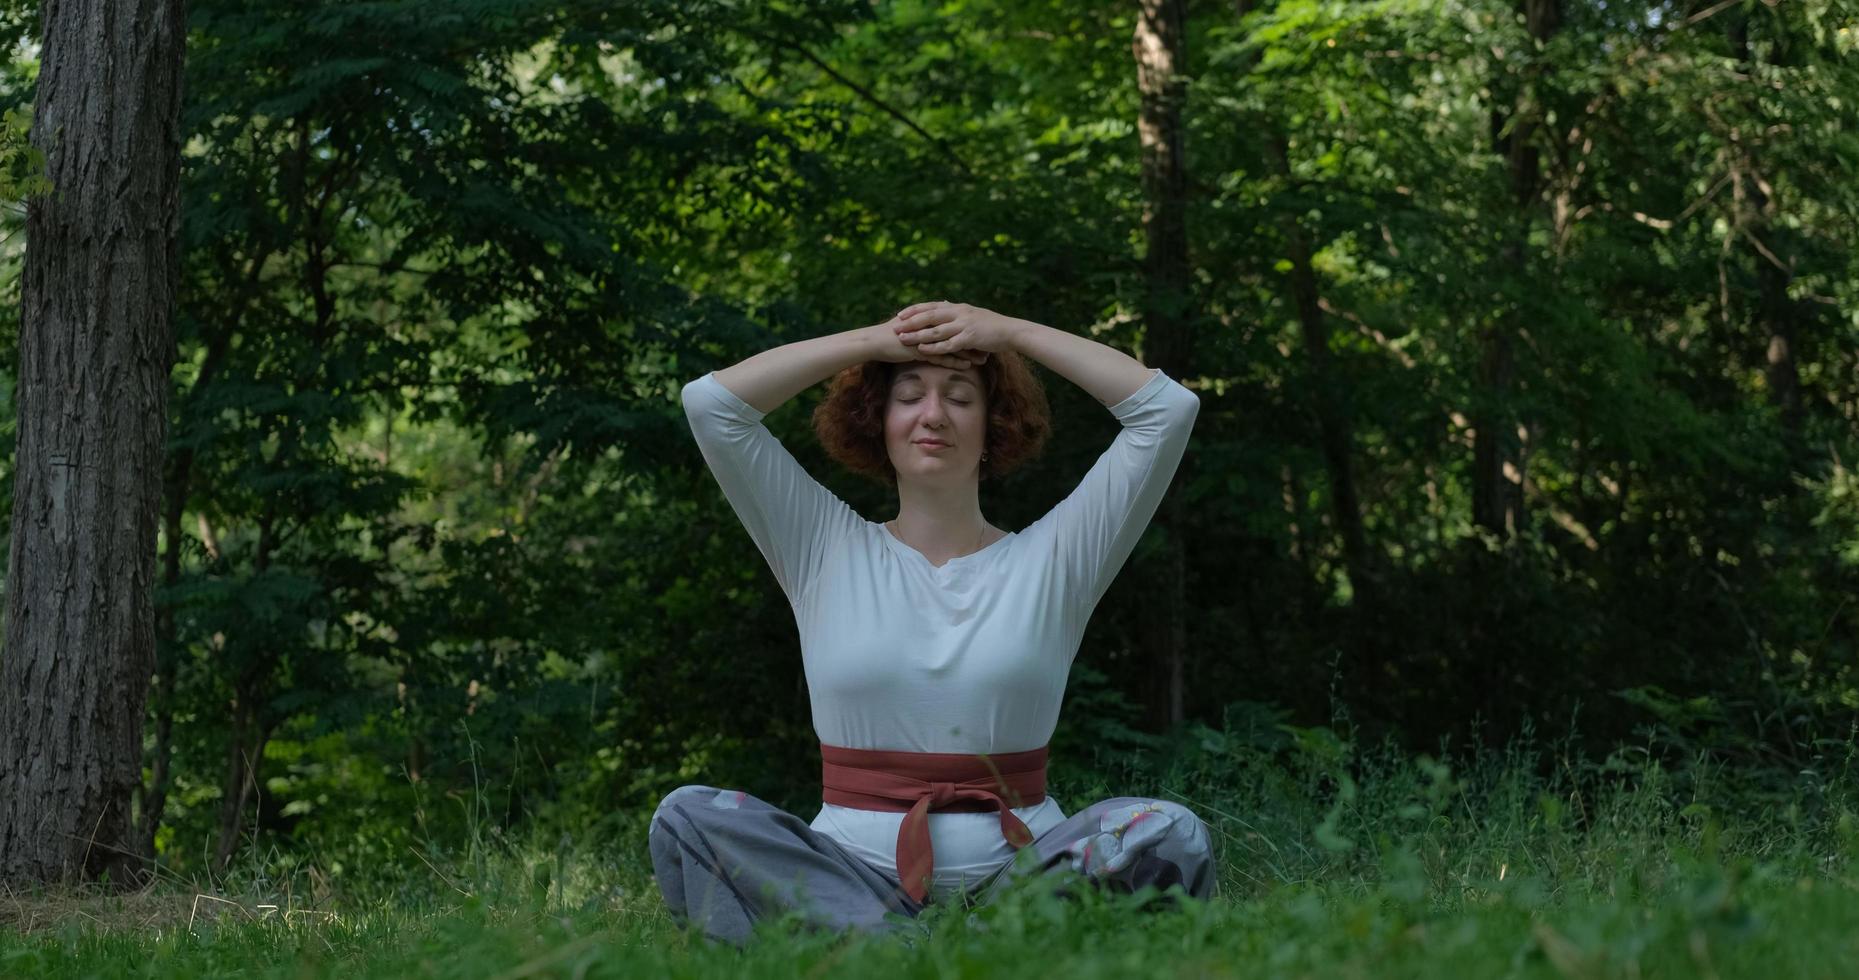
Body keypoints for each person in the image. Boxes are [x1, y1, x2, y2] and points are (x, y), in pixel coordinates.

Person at [650, 300, 1211, 945]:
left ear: (994, 424)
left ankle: (940, 949)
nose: (933, 414)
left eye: (961, 397)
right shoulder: (822, 546)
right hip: (849, 880)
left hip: (1023, 881)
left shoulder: (1055, 559)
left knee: (1170, 827)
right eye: (909, 395)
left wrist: (1009, 331)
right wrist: (876, 341)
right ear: (879, 423)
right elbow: (712, 404)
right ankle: (904, 947)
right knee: (686, 817)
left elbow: (1166, 411)